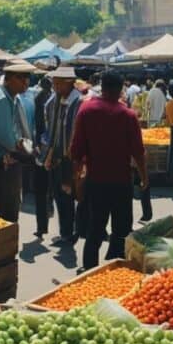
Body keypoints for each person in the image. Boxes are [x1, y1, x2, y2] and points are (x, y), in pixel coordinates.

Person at [70, 71, 148, 270]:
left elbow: (76, 152)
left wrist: (77, 181)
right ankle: (117, 271)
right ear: (121, 89)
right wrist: (144, 177)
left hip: (96, 181)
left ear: (102, 87)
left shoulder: (86, 111)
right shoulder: (128, 115)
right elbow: (138, 152)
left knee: (95, 230)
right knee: (121, 229)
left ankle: (88, 269)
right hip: (122, 182)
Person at [0, 61, 37, 222]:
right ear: (9, 78)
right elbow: (2, 135)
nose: (26, 82)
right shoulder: (1, 99)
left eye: (28, 77)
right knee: (1, 216)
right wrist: (22, 148)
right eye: (21, 77)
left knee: (3, 214)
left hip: (2, 165)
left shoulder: (8, 97)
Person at [43, 66, 84, 243]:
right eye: (54, 83)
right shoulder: (57, 101)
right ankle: (66, 231)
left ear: (69, 83)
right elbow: (52, 129)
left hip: (71, 158)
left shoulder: (79, 103)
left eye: (58, 83)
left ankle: (71, 232)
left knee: (69, 195)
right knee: (61, 196)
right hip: (58, 156)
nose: (55, 87)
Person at [32, 77, 54, 237]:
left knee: (41, 190)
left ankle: (42, 226)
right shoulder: (56, 99)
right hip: (53, 150)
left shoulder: (39, 99)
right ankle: (48, 211)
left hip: (42, 149)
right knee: (50, 188)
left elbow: (38, 126)